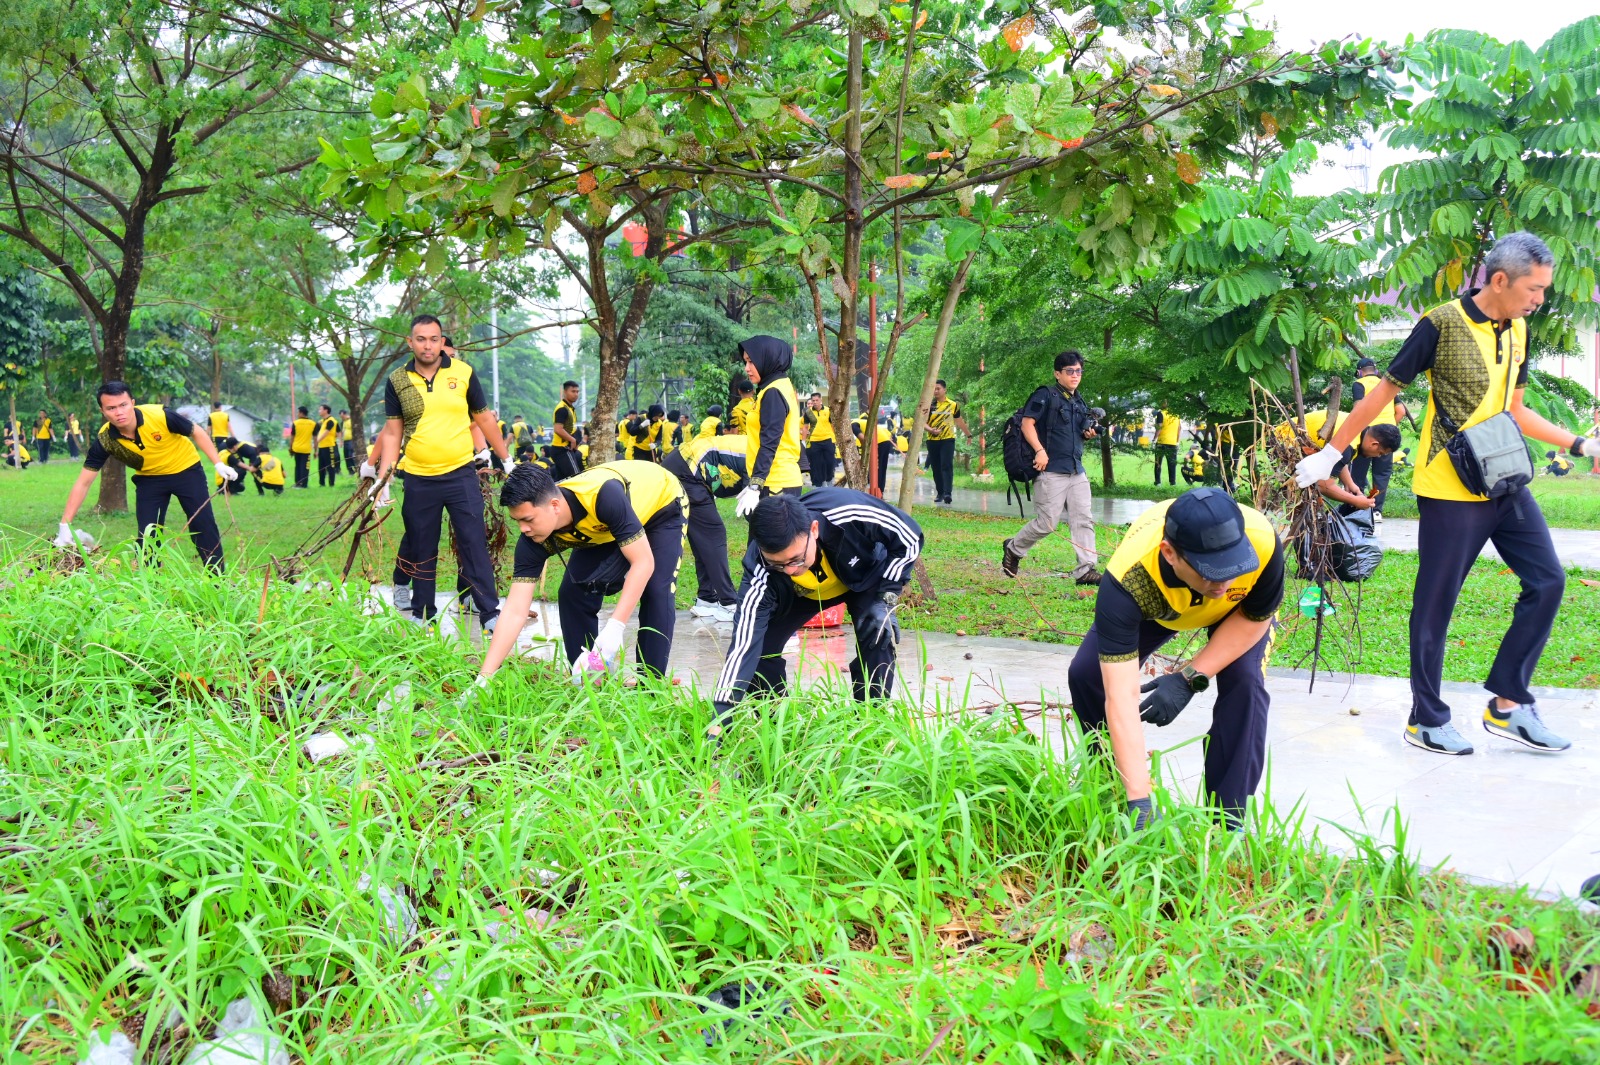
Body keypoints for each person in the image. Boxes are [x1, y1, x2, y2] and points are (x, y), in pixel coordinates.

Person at [1296, 231, 1597, 756]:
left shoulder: (1518, 328)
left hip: (1503, 480)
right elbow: (1384, 394)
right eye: (1535, 288)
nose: (1540, 299)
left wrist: (1581, 443)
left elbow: (1517, 410)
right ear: (1499, 280)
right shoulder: (1440, 324)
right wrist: (1333, 453)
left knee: (1548, 581)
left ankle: (1508, 703)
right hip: (1449, 487)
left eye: (1544, 290)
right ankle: (1426, 718)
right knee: (1436, 603)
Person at [1066, 488, 1285, 828]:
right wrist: (1140, 799)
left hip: (1238, 616)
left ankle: (1228, 820)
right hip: (1163, 609)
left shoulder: (1263, 544)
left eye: (1233, 567)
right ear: (1170, 553)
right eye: (1211, 571)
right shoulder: (1130, 582)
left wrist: (1189, 678)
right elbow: (1121, 696)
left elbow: (1253, 621)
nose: (1225, 581)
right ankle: (1114, 786)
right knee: (1086, 674)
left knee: (1245, 684)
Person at [710, 489, 924, 736]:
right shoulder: (760, 566)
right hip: (804, 593)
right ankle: (779, 728)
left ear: (813, 530)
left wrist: (887, 597)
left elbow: (910, 537)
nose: (789, 570)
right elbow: (743, 643)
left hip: (864, 577)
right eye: (777, 563)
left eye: (795, 559)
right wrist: (721, 714)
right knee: (761, 650)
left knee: (878, 634)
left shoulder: (848, 511)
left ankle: (870, 723)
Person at [470, 461, 686, 686]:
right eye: (518, 521)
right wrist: (484, 678)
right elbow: (515, 611)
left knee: (655, 590)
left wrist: (615, 627)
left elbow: (642, 562)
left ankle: (651, 686)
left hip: (661, 504)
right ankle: (589, 681)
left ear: (554, 505)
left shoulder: (603, 497)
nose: (523, 529)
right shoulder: (531, 542)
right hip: (606, 525)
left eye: (528, 520)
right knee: (573, 593)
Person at [371, 314, 513, 632]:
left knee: (473, 541)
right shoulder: (397, 380)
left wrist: (507, 459)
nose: (427, 345)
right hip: (419, 478)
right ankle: (424, 613)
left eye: (434, 339)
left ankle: (489, 611)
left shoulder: (463, 373)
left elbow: (485, 419)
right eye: (420, 339)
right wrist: (383, 478)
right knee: (423, 545)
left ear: (441, 341)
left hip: (460, 474)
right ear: (410, 342)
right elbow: (393, 434)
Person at [56, 382, 236, 570]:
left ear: (132, 403)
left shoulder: (159, 415)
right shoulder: (106, 439)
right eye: (111, 408)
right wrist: (64, 525)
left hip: (186, 470)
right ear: (102, 411)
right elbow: (84, 483)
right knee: (148, 534)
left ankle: (217, 579)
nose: (119, 412)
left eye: (123, 405)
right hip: (150, 479)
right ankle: (151, 584)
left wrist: (218, 463)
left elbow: (196, 431)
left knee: (203, 524)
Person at [1001, 350, 1101, 585]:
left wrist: (1088, 434)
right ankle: (1014, 549)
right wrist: (1040, 450)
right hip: (1050, 470)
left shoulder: (1078, 400)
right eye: (1070, 371)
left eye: (1078, 371)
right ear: (1058, 374)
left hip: (1076, 470)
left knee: (1083, 519)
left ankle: (1086, 569)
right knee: (1046, 524)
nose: (1075, 375)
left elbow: (1076, 433)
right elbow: (1027, 423)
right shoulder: (1045, 395)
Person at [664, 432, 752, 623]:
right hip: (686, 469)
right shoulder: (757, 456)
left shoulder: (756, 447)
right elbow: (752, 510)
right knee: (713, 533)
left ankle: (707, 599)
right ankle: (729, 603)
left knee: (703, 537)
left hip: (683, 465)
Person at [1275, 411, 1401, 514]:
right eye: (1380, 453)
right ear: (1374, 444)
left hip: (1284, 436)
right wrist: (1355, 501)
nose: (1378, 457)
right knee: (1284, 502)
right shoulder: (1349, 446)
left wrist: (1350, 484)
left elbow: (1337, 459)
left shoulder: (1359, 429)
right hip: (1280, 444)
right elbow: (1324, 485)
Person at [733, 335, 804, 517]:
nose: (747, 368)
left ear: (768, 358)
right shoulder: (775, 386)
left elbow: (770, 441)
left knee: (769, 544)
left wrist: (755, 485)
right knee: (759, 544)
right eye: (745, 362)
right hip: (773, 479)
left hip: (775, 482)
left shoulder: (773, 392)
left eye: (751, 361)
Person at [1349, 357, 1403, 520]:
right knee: (1382, 473)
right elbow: (1400, 411)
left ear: (1359, 372)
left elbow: (1358, 409)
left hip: (1367, 435)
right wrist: (1390, 426)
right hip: (1387, 436)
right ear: (1376, 371)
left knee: (1358, 472)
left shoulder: (1359, 384)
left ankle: (1355, 507)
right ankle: (1376, 510)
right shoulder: (1385, 385)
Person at [924, 380, 972, 504]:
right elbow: (922, 422)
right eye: (934, 389)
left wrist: (968, 435)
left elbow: (959, 421)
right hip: (932, 440)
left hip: (948, 440)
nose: (935, 391)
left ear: (945, 390)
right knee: (936, 467)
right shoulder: (930, 405)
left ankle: (947, 493)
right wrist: (931, 430)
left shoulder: (953, 405)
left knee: (946, 465)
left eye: (938, 388)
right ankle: (940, 492)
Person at [551, 382, 583, 478]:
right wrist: (572, 440)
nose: (576, 394)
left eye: (577, 392)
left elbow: (571, 427)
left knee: (562, 480)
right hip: (562, 449)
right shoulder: (562, 409)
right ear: (565, 392)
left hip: (563, 449)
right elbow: (558, 429)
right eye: (573, 391)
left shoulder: (569, 408)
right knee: (575, 478)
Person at [805, 393, 836, 487]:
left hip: (828, 440)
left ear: (820, 400)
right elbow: (805, 427)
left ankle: (829, 480)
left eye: (816, 400)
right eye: (813, 400)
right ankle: (820, 485)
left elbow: (833, 425)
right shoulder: (808, 412)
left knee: (830, 462)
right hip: (814, 441)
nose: (815, 402)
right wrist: (803, 441)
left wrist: (835, 438)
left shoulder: (828, 410)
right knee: (816, 464)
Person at [1153, 408, 1180, 486]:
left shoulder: (1160, 413)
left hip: (1161, 442)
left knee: (1158, 463)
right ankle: (1173, 482)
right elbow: (1179, 428)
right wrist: (1177, 441)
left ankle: (1158, 482)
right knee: (1172, 463)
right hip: (1173, 442)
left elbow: (1159, 427)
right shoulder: (1177, 415)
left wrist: (1154, 439)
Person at [289, 406, 315, 488]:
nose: (297, 414)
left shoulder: (295, 423)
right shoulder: (313, 423)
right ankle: (304, 484)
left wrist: (290, 448)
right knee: (305, 467)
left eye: (298, 412)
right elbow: (315, 438)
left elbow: (292, 437)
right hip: (306, 449)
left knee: (298, 466)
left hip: (296, 448)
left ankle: (297, 483)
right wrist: (316, 450)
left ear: (301, 413)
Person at [315, 404, 339, 488]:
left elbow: (326, 433)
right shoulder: (323, 421)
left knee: (330, 465)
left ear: (326, 410)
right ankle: (322, 483)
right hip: (322, 447)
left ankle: (331, 483)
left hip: (329, 446)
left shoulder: (331, 421)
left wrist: (316, 441)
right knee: (321, 466)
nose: (319, 411)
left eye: (320, 409)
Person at [340, 410, 357, 474]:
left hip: (351, 440)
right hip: (345, 441)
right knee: (346, 456)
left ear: (345, 414)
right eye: (341, 417)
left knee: (351, 455)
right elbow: (342, 432)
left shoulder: (351, 420)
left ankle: (356, 467)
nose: (342, 418)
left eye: (343, 416)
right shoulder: (342, 422)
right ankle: (350, 471)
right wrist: (341, 441)